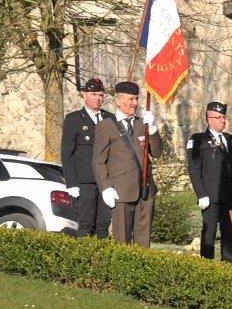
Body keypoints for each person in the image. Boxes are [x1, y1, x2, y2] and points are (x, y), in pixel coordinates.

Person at [92, 80, 163, 247]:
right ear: (118, 101)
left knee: (143, 242)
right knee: (122, 241)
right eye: (131, 99)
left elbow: (157, 152)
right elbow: (98, 161)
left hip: (145, 190)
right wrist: (105, 187)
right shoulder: (106, 126)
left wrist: (152, 129)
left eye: (137, 99)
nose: (135, 103)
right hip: (120, 191)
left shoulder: (142, 124)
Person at [187, 101, 232, 261]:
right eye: (218, 117)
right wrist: (201, 194)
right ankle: (206, 267)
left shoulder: (230, 139)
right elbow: (194, 169)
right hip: (210, 196)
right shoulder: (198, 139)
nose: (222, 120)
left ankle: (227, 265)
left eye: (223, 117)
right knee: (209, 232)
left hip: (228, 195)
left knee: (228, 233)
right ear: (208, 119)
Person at [60, 77, 113, 238]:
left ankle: (103, 260)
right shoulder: (74, 119)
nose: (98, 98)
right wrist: (72, 183)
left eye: (100, 95)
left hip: (106, 180)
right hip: (85, 181)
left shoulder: (110, 118)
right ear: (85, 96)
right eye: (94, 94)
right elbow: (67, 153)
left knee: (103, 224)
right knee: (86, 223)